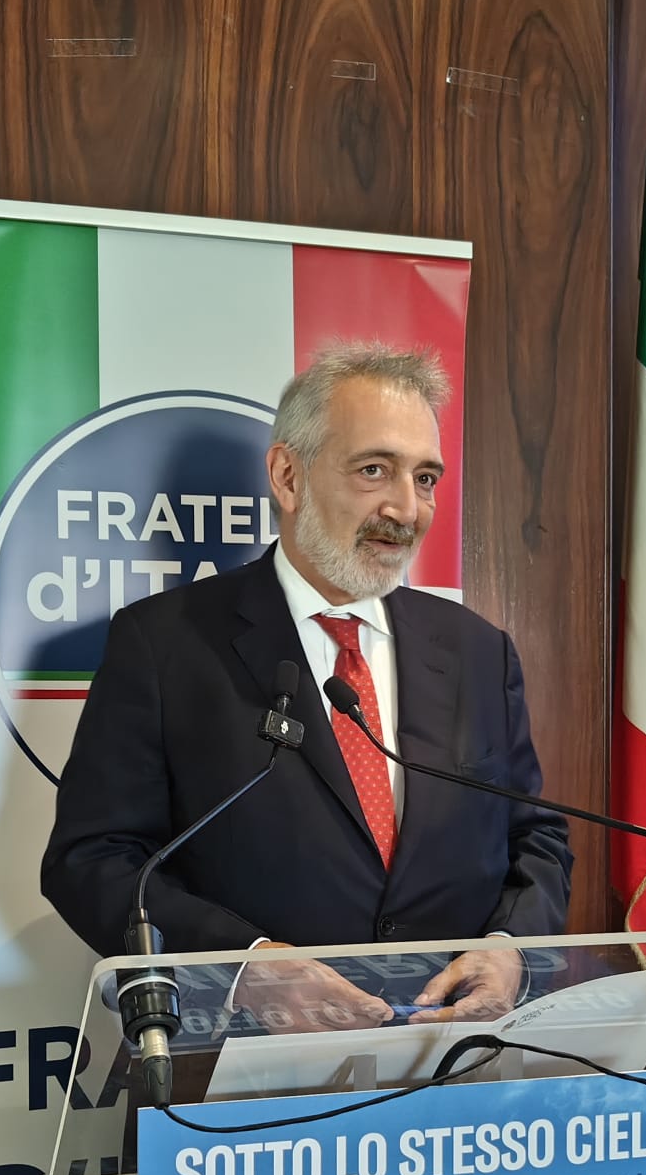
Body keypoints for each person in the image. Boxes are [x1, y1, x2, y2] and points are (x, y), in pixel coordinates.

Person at [41, 342, 573, 1028]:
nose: (406, 509)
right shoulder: (164, 644)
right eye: (374, 470)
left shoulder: (478, 652)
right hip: (248, 1062)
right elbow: (92, 860)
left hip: (452, 1056)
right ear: (288, 477)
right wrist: (243, 967)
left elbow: (536, 839)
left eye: (426, 478)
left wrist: (511, 949)